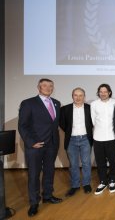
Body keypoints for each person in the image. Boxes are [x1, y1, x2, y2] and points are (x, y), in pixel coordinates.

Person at [18, 78, 62, 217]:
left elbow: (54, 124)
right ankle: (34, 203)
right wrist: (31, 142)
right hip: (35, 145)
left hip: (52, 144)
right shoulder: (28, 103)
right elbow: (23, 125)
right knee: (34, 174)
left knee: (50, 171)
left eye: (50, 86)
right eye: (44, 85)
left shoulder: (56, 103)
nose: (48, 88)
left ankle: (48, 196)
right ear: (38, 87)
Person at [60, 87, 94, 197]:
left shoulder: (90, 108)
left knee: (86, 163)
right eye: (76, 95)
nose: (78, 97)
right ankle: (74, 185)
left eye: (80, 95)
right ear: (72, 96)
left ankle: (86, 184)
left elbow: (93, 122)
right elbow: (62, 124)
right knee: (73, 164)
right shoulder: (65, 109)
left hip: (85, 139)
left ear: (84, 97)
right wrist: (70, 132)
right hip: (71, 140)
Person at [91, 84, 115, 195]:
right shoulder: (94, 104)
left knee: (113, 161)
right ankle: (103, 181)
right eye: (101, 91)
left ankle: (112, 180)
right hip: (98, 137)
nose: (103, 93)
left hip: (112, 137)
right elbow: (93, 120)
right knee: (100, 162)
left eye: (105, 91)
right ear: (98, 93)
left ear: (109, 92)